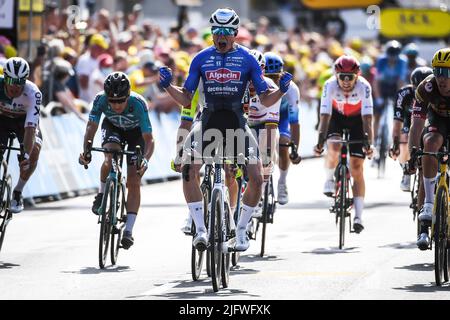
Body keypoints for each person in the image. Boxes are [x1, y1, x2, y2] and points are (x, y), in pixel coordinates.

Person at [160, 8, 292, 252]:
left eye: (226, 32)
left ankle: (241, 230)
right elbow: (187, 99)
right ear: (212, 33)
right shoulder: (200, 58)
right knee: (188, 169)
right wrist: (169, 87)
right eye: (217, 31)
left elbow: (265, 98)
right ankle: (199, 227)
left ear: (235, 33)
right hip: (208, 120)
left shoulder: (248, 60)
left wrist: (282, 90)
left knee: (257, 177)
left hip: (237, 122)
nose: (221, 36)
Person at [78, 72, 155, 249]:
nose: (117, 105)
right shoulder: (100, 100)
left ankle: (128, 230)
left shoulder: (138, 103)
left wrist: (145, 160)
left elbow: (149, 139)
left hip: (136, 134)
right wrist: (86, 151)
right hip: (113, 128)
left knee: (134, 179)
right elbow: (91, 127)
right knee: (109, 156)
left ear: (128, 96)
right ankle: (102, 193)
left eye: (121, 100)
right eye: (112, 101)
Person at [314, 55, 374, 233]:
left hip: (357, 122)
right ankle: (329, 179)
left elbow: (368, 119)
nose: (346, 81)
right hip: (336, 119)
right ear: (336, 75)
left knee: (357, 167)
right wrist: (319, 142)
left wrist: (368, 143)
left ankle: (358, 216)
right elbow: (324, 116)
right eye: (342, 77)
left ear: (357, 76)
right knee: (333, 146)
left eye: (350, 77)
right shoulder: (329, 85)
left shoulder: (364, 86)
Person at [407, 48, 450, 250]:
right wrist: (413, 152)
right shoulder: (426, 87)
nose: (443, 78)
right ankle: (429, 204)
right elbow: (416, 125)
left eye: (448, 73)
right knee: (429, 144)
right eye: (439, 71)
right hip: (437, 121)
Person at [0, 57, 44, 213]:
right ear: (5, 77)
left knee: (34, 151)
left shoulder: (33, 93)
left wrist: (25, 156)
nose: (15, 86)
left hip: (23, 122)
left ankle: (18, 192)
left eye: (19, 82)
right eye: (11, 81)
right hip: (2, 119)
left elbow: (31, 129)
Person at [263, 52, 302, 205]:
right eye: (268, 76)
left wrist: (295, 149)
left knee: (284, 143)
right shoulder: (255, 83)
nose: (272, 80)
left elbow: (294, 121)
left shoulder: (291, 89)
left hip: (281, 119)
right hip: (261, 118)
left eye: (275, 77)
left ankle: (282, 182)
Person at [390, 67, 433, 192]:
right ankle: (406, 172)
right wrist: (395, 143)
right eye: (416, 88)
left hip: (429, 118)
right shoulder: (404, 94)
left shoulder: (434, 91)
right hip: (409, 119)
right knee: (405, 138)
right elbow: (397, 121)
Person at [373, 40, 408, 147]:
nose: (392, 59)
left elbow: (400, 82)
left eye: (394, 57)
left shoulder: (402, 61)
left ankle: (394, 139)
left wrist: (398, 99)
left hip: (394, 86)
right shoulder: (381, 60)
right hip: (383, 86)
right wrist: (378, 97)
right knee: (377, 114)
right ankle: (374, 141)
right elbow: (376, 81)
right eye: (390, 57)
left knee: (397, 115)